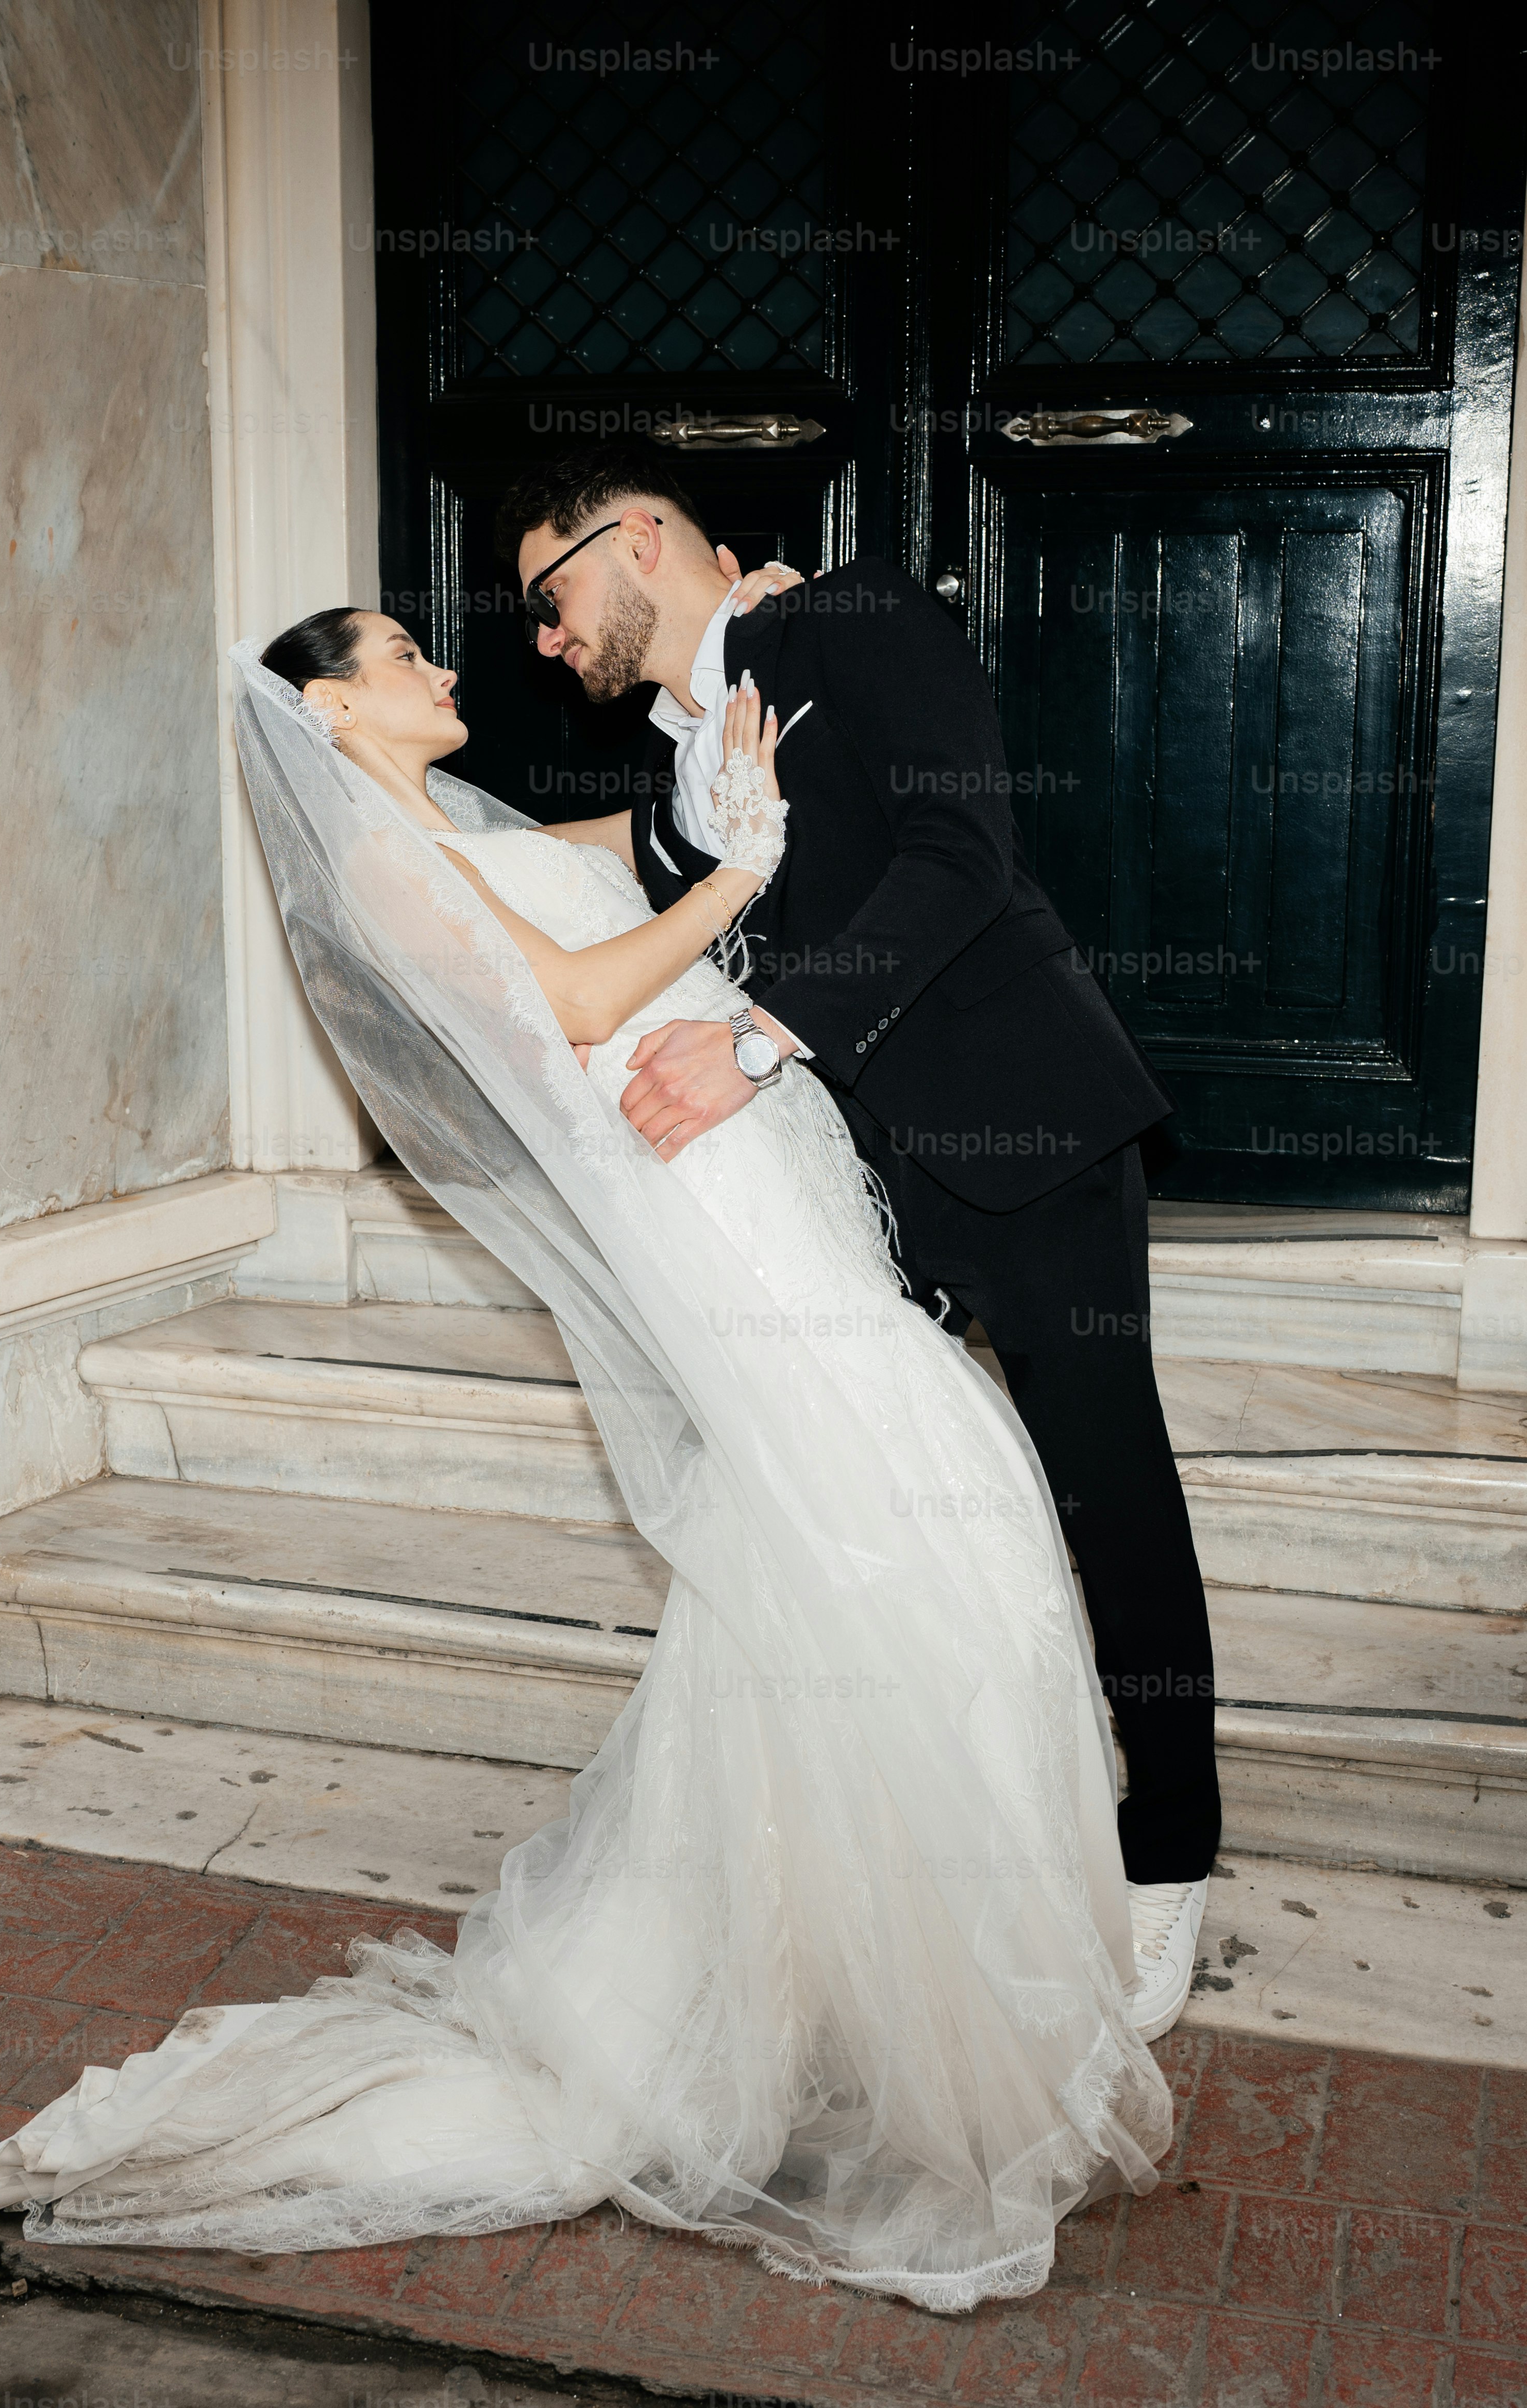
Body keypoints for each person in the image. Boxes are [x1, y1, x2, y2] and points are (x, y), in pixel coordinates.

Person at [0, 597, 1172, 2313]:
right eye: (398, 658)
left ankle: (837, 1983)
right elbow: (580, 995)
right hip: (697, 1213)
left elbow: (658, 881)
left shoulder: (464, 825)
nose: (447, 671)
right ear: (329, 716)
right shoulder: (388, 871)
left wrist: (731, 824)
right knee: (916, 1524)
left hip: (753, 1186)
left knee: (854, 1549)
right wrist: (738, 879)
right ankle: (920, 1999)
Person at [498, 450, 1221, 2035]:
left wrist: (758, 1043)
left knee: (1110, 1489)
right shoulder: (687, 769)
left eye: (553, 600)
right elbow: (621, 868)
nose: (544, 644)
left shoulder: (858, 620)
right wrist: (395, 831)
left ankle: (1168, 1859)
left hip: (1022, 1129)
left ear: (640, 542)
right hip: (858, 1187)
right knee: (891, 1503)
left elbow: (960, 857)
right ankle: (948, 1847)